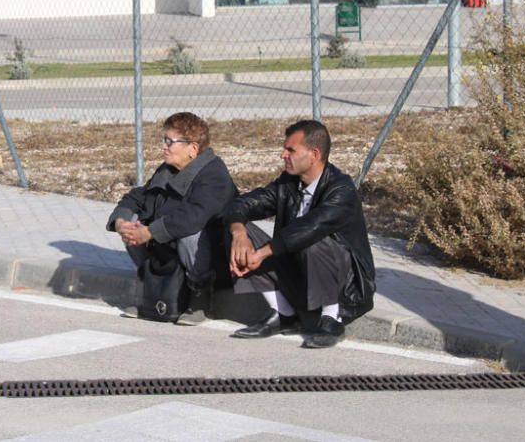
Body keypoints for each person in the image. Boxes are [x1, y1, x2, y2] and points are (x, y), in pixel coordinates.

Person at [223, 119, 375, 348]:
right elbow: (243, 204)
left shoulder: (342, 189)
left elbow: (311, 228)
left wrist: (262, 254)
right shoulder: (288, 184)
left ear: (314, 154)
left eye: (290, 150)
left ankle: (332, 318)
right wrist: (238, 233)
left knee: (312, 239)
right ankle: (282, 313)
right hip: (299, 274)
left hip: (345, 287)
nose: (283, 155)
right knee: (239, 232)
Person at [107, 112, 236, 325]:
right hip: (170, 250)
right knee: (133, 219)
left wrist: (148, 232)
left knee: (191, 233)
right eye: (164, 140)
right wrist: (121, 222)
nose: (164, 146)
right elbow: (137, 196)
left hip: (213, 256)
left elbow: (193, 217)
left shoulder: (214, 175)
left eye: (170, 142)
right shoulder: (168, 170)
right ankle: (154, 292)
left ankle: (200, 297)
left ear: (193, 149)